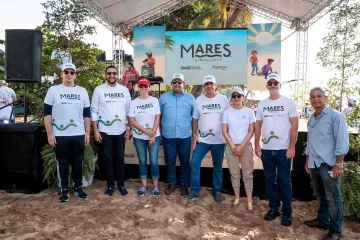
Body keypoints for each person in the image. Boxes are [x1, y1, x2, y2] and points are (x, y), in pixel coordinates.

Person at [304, 87, 348, 240]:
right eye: (313, 97)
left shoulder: (336, 116)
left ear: (325, 98)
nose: (315, 99)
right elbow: (310, 142)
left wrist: (338, 164)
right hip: (315, 164)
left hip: (329, 164)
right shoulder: (312, 118)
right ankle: (322, 221)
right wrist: (307, 160)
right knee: (320, 195)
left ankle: (335, 231)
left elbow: (342, 142)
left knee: (333, 197)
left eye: (319, 96)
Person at [254, 73, 298, 226]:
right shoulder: (262, 104)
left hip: (283, 150)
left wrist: (292, 146)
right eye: (270, 83)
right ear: (267, 86)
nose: (273, 85)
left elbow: (294, 125)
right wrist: (257, 144)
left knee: (285, 181)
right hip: (267, 150)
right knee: (269, 180)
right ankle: (273, 209)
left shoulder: (289, 103)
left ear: (280, 85)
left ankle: (287, 213)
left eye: (275, 83)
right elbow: (258, 125)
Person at [44, 63, 90, 203]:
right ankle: (64, 190)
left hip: (78, 133)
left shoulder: (82, 91)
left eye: (72, 72)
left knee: (78, 162)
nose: (69, 74)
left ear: (75, 75)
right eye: (66, 72)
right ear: (61, 74)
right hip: (60, 134)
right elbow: (47, 114)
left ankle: (78, 188)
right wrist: (50, 133)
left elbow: (87, 114)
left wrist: (87, 132)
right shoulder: (53, 90)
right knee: (62, 163)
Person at [185, 75, 230, 203]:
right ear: (204, 86)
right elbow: (195, 118)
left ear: (216, 85)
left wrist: (228, 135)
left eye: (211, 83)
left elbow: (228, 118)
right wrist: (194, 135)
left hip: (219, 140)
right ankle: (194, 191)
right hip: (202, 140)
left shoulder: (223, 99)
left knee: (217, 167)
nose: (209, 86)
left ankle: (216, 191)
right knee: (194, 163)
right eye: (206, 84)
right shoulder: (199, 100)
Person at [91, 65, 132, 197]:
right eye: (109, 73)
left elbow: (128, 111)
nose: (112, 76)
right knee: (107, 159)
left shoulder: (124, 90)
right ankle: (110, 185)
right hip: (104, 131)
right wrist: (96, 131)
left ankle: (120, 185)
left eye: (114, 73)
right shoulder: (99, 90)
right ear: (105, 75)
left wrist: (128, 128)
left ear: (117, 75)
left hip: (120, 131)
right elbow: (94, 111)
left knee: (119, 159)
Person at [159, 73, 194, 196]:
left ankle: (184, 185)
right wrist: (160, 134)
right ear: (171, 84)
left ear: (183, 84)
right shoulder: (163, 98)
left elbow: (195, 118)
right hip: (168, 136)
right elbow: (158, 117)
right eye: (174, 82)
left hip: (185, 136)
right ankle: (172, 183)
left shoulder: (190, 98)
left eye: (179, 82)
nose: (177, 84)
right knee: (170, 161)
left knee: (185, 161)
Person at [222, 87, 255, 213]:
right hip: (231, 147)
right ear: (231, 99)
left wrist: (241, 147)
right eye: (234, 96)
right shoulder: (227, 113)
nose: (236, 98)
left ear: (243, 97)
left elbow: (251, 131)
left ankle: (249, 201)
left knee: (247, 175)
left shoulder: (250, 112)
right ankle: (237, 198)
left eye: (239, 96)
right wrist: (233, 146)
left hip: (245, 146)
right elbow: (224, 132)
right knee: (234, 174)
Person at [129, 78, 161, 196]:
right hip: (139, 137)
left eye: (145, 86)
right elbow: (132, 120)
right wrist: (146, 132)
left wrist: (152, 133)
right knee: (142, 161)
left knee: (153, 161)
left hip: (154, 136)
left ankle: (156, 186)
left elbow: (158, 117)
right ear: (138, 87)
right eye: (141, 86)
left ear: (149, 87)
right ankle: (144, 186)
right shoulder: (133, 102)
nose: (143, 89)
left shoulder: (154, 100)